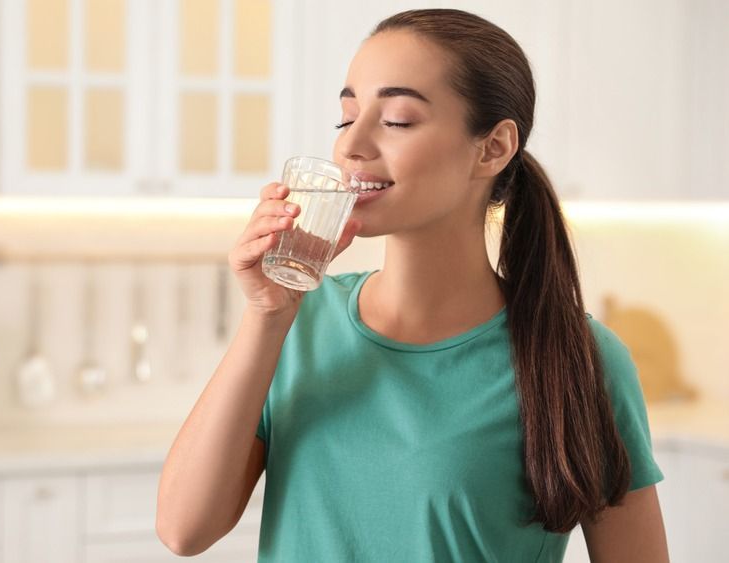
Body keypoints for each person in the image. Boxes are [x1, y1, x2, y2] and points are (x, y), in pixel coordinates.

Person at [157, 8, 668, 562]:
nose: (351, 145)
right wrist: (266, 317)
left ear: (493, 147)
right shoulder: (296, 321)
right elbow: (184, 530)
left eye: (397, 120)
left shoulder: (580, 361)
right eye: (346, 117)